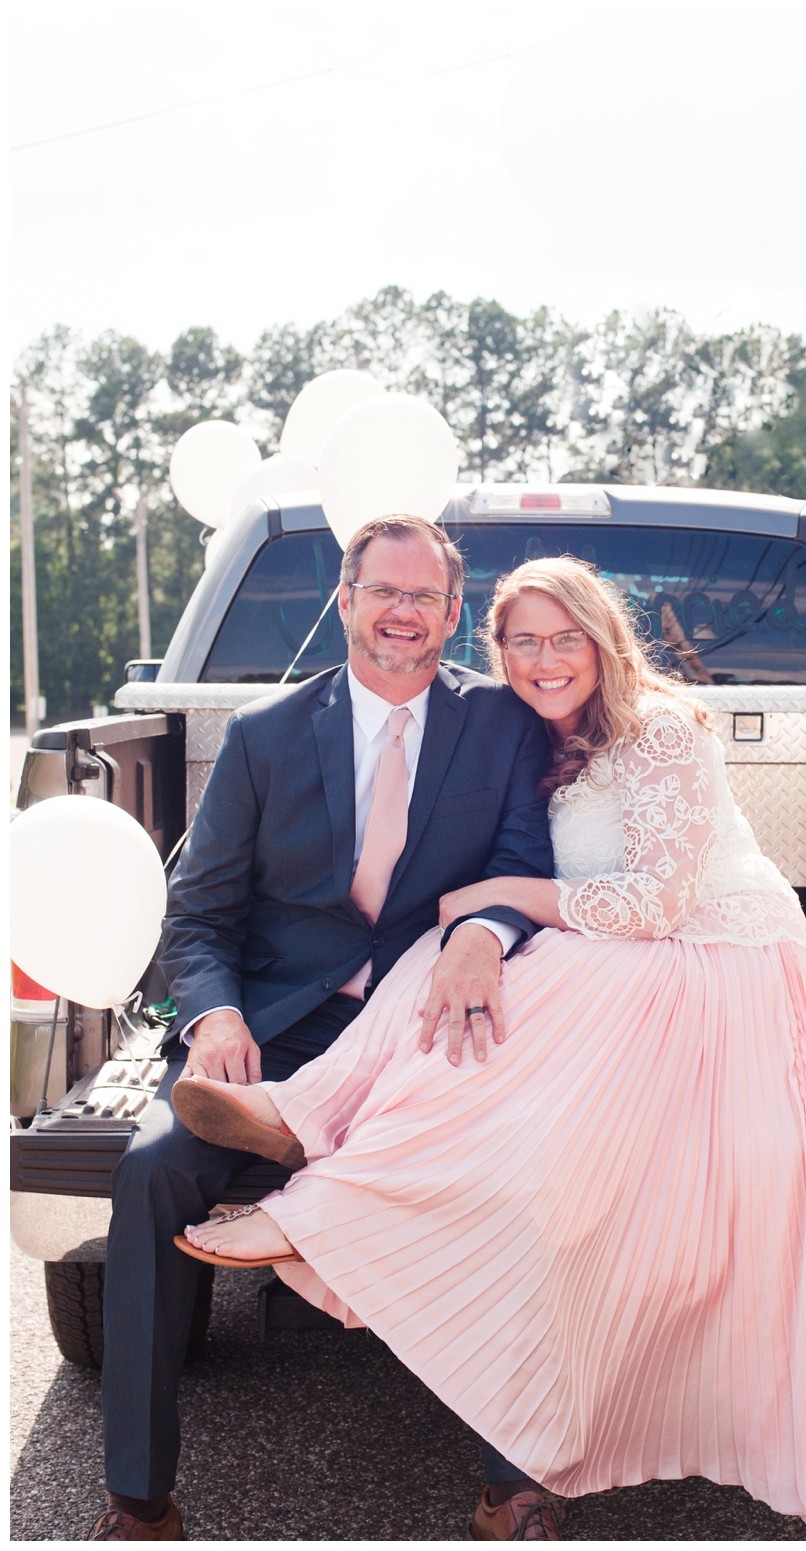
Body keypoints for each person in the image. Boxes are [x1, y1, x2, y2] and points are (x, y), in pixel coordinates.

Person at [174, 556, 806, 1535]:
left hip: (718, 966)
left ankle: (323, 1209)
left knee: (510, 998)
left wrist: (501, 897)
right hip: (624, 950)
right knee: (450, 957)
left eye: (564, 639)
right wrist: (479, 916)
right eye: (522, 642)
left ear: (602, 640)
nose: (545, 659)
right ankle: (300, 1115)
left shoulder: (660, 729)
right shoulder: (531, 736)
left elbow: (659, 902)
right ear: (496, 650)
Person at [90, 516, 557, 1542]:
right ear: (344, 601)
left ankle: (514, 1487)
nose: (401, 612)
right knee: (152, 1170)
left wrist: (481, 933)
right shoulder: (264, 734)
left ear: (452, 613)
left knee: (520, 1176)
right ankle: (138, 1500)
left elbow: (526, 867)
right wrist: (214, 1014)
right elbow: (199, 912)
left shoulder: (502, 725)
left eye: (423, 595)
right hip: (276, 1031)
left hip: (425, 1031)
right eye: (382, 591)